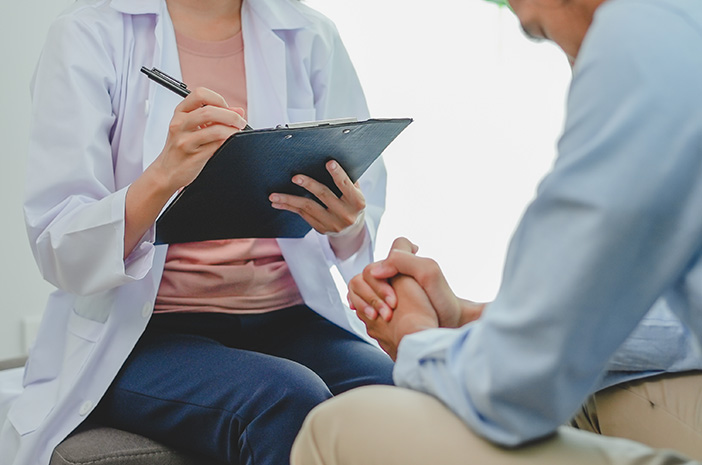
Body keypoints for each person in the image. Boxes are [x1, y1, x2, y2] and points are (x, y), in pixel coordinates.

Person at [289, 0, 702, 462]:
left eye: (541, 32)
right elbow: (667, 323)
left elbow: (513, 389)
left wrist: (413, 336)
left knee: (343, 426)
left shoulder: (641, 42)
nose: (575, 65)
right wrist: (470, 317)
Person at [0, 0, 395, 464]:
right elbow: (60, 244)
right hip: (145, 330)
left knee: (399, 388)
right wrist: (164, 173)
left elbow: (358, 207)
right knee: (286, 399)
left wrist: (346, 223)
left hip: (287, 313)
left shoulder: (310, 34)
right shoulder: (87, 34)